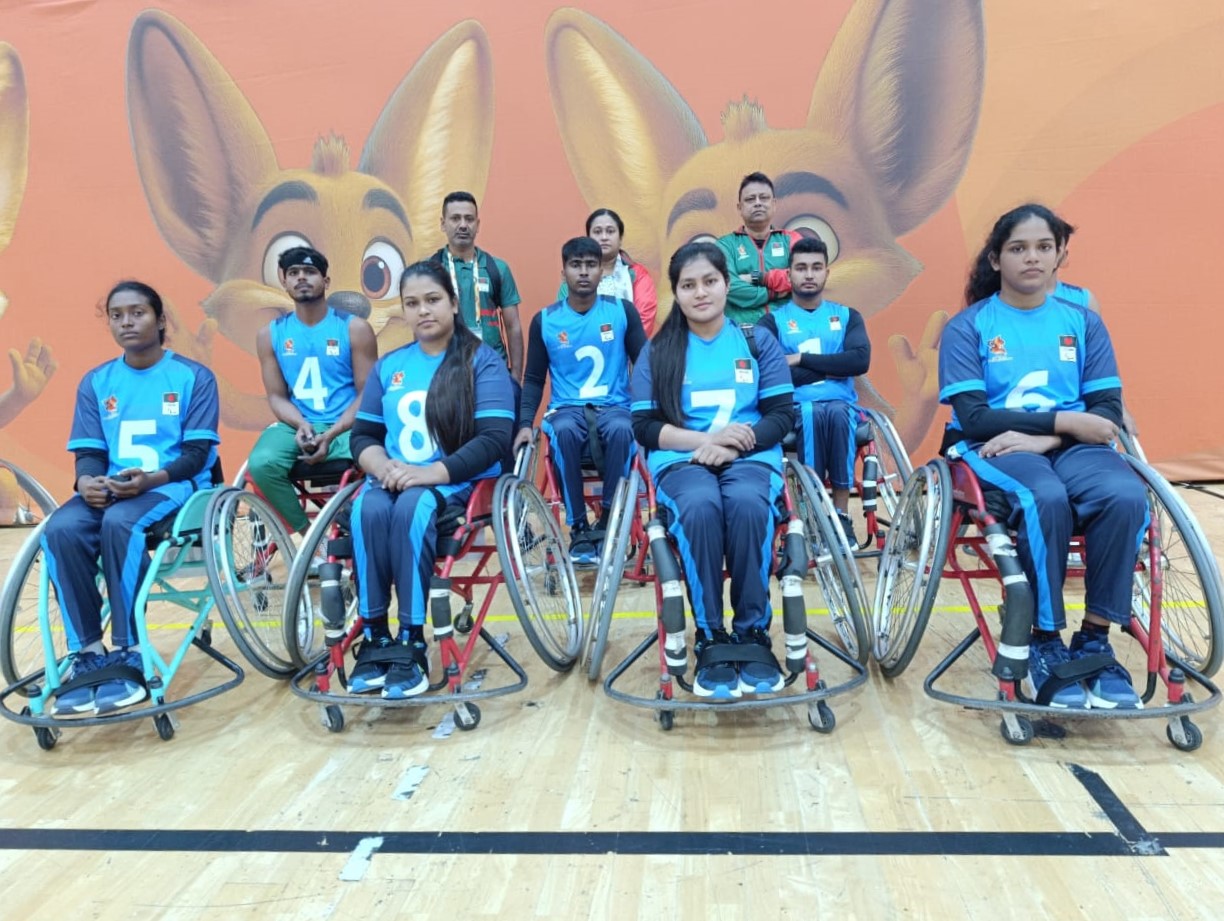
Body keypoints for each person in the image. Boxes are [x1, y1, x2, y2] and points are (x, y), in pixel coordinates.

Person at [938, 203, 1145, 710]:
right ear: (995, 259)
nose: (1032, 257)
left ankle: (1095, 639)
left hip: (1062, 445)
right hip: (993, 446)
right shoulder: (969, 327)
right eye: (1018, 248)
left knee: (1125, 494)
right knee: (1042, 496)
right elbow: (975, 418)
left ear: (1059, 256)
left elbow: (1105, 411)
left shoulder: (1083, 323)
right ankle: (1043, 640)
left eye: (1043, 247)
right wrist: (1066, 422)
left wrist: (1052, 436)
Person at [40, 281, 220, 716]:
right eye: (117, 315)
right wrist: (86, 481)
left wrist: (149, 480)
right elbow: (89, 452)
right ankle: (86, 651)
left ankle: (130, 649)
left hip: (173, 485)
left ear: (160, 320)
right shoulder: (97, 382)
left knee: (120, 523)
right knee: (60, 529)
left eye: (137, 313)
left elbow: (197, 455)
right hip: (116, 487)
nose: (126, 322)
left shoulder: (194, 377)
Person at [631, 241, 795, 698]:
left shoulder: (756, 340)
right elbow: (644, 427)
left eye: (709, 281)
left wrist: (735, 445)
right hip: (682, 459)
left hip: (750, 456)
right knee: (700, 507)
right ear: (676, 292)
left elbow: (781, 415)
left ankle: (752, 632)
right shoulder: (659, 351)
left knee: (746, 504)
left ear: (726, 284)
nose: (700, 292)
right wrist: (706, 441)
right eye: (688, 285)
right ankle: (709, 634)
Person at [347, 260, 514, 699]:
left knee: (414, 506)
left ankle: (412, 641)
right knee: (366, 506)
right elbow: (363, 436)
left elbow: (495, 438)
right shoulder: (389, 366)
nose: (423, 310)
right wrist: (382, 467)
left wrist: (430, 474)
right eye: (412, 303)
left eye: (433, 300)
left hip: (455, 483)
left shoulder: (482, 362)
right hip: (396, 479)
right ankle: (375, 635)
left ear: (454, 304)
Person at [518, 237, 647, 563]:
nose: (584, 272)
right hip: (566, 409)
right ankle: (577, 527)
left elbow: (646, 366)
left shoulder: (622, 311)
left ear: (602, 270)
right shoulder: (545, 321)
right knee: (562, 431)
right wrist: (524, 423)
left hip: (614, 406)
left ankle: (607, 521)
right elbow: (533, 380)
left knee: (622, 429)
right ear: (564, 272)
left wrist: (653, 412)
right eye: (576, 265)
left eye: (591, 264)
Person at [249, 247, 377, 536]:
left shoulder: (355, 328)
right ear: (284, 281)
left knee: (379, 455)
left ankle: (364, 531)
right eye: (294, 273)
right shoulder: (270, 334)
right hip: (299, 424)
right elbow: (276, 397)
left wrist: (331, 433)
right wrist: (301, 424)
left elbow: (367, 395)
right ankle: (311, 539)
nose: (301, 278)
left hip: (347, 426)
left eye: (310, 272)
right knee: (261, 463)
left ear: (326, 281)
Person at [758, 237, 870, 543]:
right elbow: (770, 374)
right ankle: (812, 511)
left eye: (816, 267)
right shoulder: (772, 321)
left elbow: (859, 361)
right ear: (789, 274)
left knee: (837, 412)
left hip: (841, 405)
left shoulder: (847, 316)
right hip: (795, 408)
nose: (809, 274)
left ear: (826, 273)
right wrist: (834, 365)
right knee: (811, 412)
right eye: (801, 268)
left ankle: (841, 515)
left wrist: (800, 359)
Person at [431, 191, 525, 385]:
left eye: (469, 219)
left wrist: (516, 377)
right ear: (443, 224)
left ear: (478, 224)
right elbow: (421, 324)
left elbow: (513, 325)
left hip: (492, 371)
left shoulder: (497, 268)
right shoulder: (430, 270)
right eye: (455, 218)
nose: (463, 225)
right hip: (445, 373)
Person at [716, 172, 801, 325]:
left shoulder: (791, 240)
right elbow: (729, 286)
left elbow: (802, 277)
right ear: (739, 208)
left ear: (774, 204)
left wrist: (760, 278)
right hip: (742, 331)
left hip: (788, 328)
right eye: (750, 199)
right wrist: (773, 293)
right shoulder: (725, 245)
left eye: (764, 198)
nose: (757, 203)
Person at [556, 208, 658, 335]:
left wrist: (618, 344)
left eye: (610, 231)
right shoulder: (575, 276)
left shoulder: (638, 274)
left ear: (620, 238)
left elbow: (643, 320)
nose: (604, 237)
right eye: (597, 232)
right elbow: (564, 320)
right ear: (589, 238)